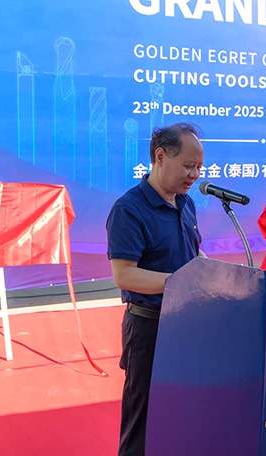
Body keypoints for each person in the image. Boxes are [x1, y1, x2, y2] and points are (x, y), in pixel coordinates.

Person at [107, 122, 203, 456]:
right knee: (143, 421)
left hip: (186, 323)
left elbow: (193, 256)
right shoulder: (129, 209)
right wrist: (180, 281)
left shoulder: (186, 203)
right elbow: (124, 275)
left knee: (183, 414)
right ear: (161, 156)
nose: (194, 175)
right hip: (149, 328)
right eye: (188, 166)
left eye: (199, 167)